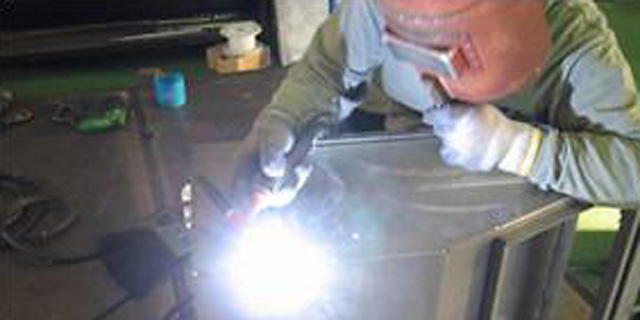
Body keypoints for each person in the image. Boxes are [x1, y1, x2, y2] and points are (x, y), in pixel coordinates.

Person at [234, 0, 640, 210]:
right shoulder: (381, 4)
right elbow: (328, 71)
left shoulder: (576, 45)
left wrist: (519, 147)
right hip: (389, 169)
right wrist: (286, 119)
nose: (425, 80)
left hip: (499, 208)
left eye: (440, 59)